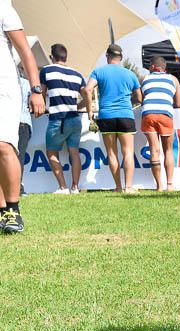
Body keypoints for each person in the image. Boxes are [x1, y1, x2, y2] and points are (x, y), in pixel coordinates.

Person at [0, 2, 45, 234]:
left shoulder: (3, 7)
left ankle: (13, 209)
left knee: (3, 145)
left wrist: (36, 91)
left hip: (5, 90)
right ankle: (2, 212)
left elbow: (25, 51)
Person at [85, 44, 142, 193]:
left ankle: (118, 187)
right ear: (121, 58)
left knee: (112, 153)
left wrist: (89, 110)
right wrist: (131, 101)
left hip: (106, 116)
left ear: (107, 56)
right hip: (125, 115)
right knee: (128, 152)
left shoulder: (99, 71)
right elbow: (139, 97)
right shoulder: (130, 74)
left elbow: (88, 89)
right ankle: (128, 187)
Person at [40, 43, 88, 194]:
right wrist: (78, 106)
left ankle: (63, 187)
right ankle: (75, 187)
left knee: (52, 153)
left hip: (58, 118)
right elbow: (86, 94)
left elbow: (41, 93)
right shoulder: (77, 74)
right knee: (74, 152)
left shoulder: (46, 70)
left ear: (51, 57)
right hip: (74, 118)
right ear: (65, 57)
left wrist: (42, 107)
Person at [141, 55, 180, 191]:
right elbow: (178, 103)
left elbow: (140, 99)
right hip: (165, 114)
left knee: (154, 150)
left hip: (148, 114)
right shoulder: (173, 79)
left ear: (152, 67)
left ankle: (159, 186)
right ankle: (170, 184)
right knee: (168, 150)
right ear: (165, 68)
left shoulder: (144, 78)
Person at [17, 66, 31, 195]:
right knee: (19, 157)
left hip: (9, 121)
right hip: (23, 122)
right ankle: (18, 188)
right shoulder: (26, 83)